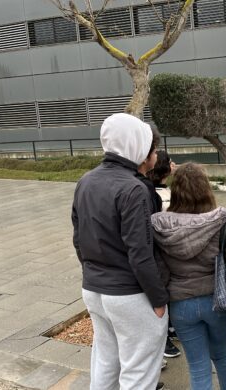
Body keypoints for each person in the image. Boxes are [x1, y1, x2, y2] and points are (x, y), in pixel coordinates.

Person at [72, 113, 169, 390]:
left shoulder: (86, 181)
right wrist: (159, 298)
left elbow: (79, 239)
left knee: (105, 362)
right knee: (138, 373)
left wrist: (94, 273)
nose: (155, 155)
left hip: (94, 289)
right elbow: (140, 252)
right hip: (130, 294)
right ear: (138, 148)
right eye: (151, 148)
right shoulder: (134, 189)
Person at [151, 163, 226, 390]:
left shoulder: (160, 225)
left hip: (181, 303)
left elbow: (159, 267)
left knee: (197, 366)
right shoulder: (222, 221)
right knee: (221, 356)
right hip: (217, 300)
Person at [144, 149, 182, 360]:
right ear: (166, 168)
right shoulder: (154, 194)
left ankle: (171, 328)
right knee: (163, 293)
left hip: (169, 251)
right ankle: (164, 337)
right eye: (170, 162)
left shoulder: (163, 191)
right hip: (161, 252)